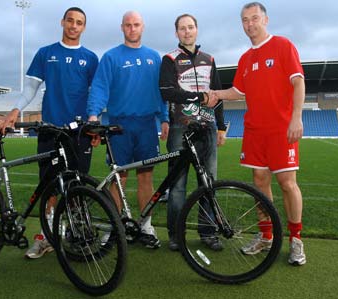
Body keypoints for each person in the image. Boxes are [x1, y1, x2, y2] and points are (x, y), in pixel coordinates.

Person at [0, 7, 99, 259]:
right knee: (49, 187)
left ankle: (72, 234)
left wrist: (96, 124)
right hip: (50, 130)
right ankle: (45, 237)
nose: (74, 26)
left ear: (84, 27)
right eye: (71, 21)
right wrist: (14, 111)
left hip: (79, 133)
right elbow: (30, 89)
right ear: (62, 22)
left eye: (80, 23)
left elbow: (96, 95)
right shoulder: (46, 53)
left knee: (76, 186)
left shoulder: (91, 58)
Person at [210, 2, 306, 265]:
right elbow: (238, 93)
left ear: (265, 19)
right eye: (244, 20)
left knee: (288, 184)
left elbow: (298, 82)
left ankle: (296, 240)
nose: (249, 24)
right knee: (260, 185)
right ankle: (266, 236)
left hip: (281, 130)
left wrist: (296, 117)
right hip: (254, 131)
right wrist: (217, 94)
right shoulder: (245, 58)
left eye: (254, 18)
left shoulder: (283, 45)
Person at [87, 11, 169, 249]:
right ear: (122, 28)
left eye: (136, 25)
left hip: (146, 126)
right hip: (118, 127)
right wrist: (94, 114)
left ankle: (146, 225)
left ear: (142, 27)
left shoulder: (154, 57)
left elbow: (161, 92)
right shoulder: (111, 57)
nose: (132, 29)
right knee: (118, 178)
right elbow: (100, 87)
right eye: (128, 25)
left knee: (146, 177)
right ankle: (116, 225)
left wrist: (164, 118)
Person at [159, 14, 227, 251]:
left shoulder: (209, 59)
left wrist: (220, 126)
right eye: (182, 28)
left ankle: (207, 232)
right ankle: (176, 235)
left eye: (190, 27)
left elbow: (217, 94)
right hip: (180, 127)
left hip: (207, 128)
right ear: (176, 33)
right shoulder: (169, 59)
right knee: (177, 185)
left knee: (207, 182)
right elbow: (167, 92)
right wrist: (198, 97)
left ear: (196, 30)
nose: (187, 31)